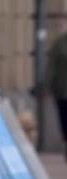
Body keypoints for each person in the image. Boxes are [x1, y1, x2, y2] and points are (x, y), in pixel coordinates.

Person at [47, 29, 67, 160]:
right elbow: (51, 67)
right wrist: (51, 86)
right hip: (63, 92)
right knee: (65, 122)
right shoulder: (60, 43)